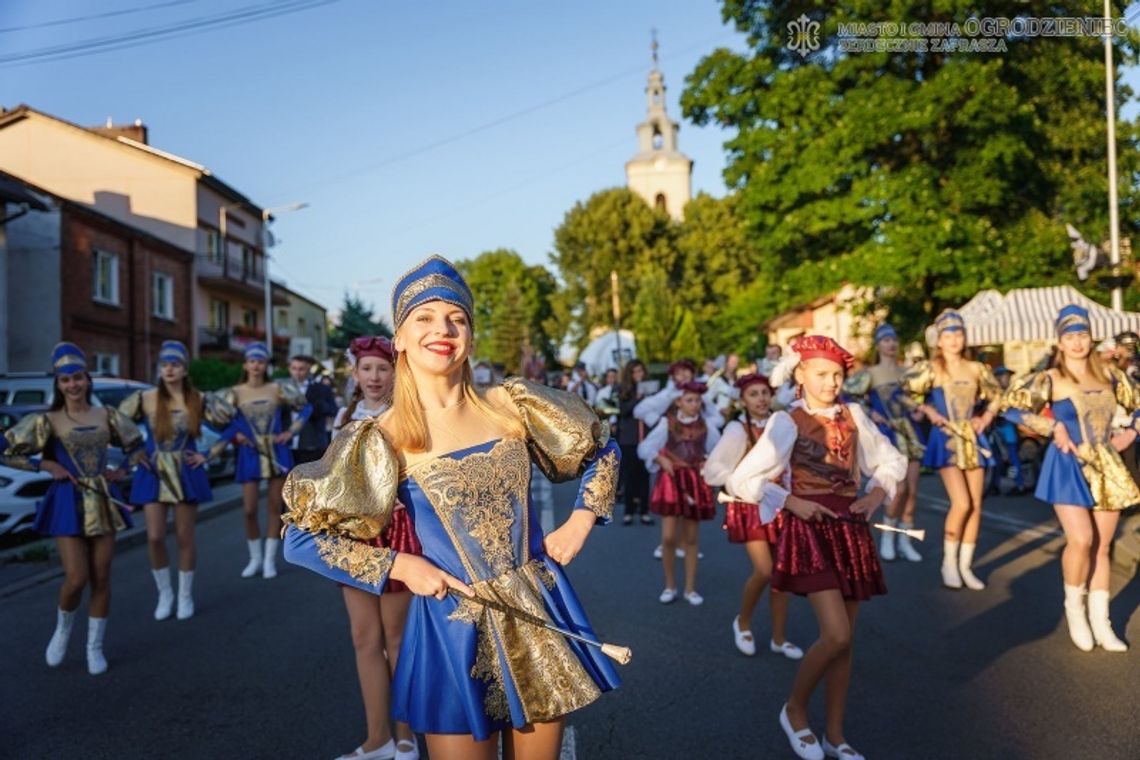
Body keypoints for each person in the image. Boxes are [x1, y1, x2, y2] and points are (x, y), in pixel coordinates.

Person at [282, 255, 621, 760]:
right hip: (450, 630)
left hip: (535, 611)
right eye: (424, 317)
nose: (442, 329)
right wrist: (399, 564)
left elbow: (602, 449)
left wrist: (582, 518)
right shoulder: (383, 438)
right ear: (399, 338)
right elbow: (301, 537)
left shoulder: (511, 406)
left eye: (456, 318)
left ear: (469, 335)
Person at [727, 335, 906, 760]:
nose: (831, 383)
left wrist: (876, 495)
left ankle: (837, 735)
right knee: (836, 633)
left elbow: (890, 461)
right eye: (822, 374)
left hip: (851, 529)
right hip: (809, 531)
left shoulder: (855, 414)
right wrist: (789, 501)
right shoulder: (786, 422)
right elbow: (739, 481)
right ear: (800, 374)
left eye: (838, 375)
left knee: (846, 642)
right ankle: (795, 710)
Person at [1000, 305, 1140, 652]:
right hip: (1066, 465)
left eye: (1081, 335)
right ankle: (1075, 612)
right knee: (1080, 540)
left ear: (1090, 338)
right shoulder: (1049, 378)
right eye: (1069, 336)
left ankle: (1101, 621)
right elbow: (1011, 406)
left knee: (1102, 547)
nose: (1077, 342)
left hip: (1107, 466)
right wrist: (1052, 425)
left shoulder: (1110, 374)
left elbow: (1138, 404)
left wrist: (1131, 433)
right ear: (1059, 342)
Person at [1, 342, 144, 675]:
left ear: (87, 379)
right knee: (77, 578)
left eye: (78, 378)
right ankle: (63, 630)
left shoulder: (107, 416)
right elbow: (7, 450)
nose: (73, 385)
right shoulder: (46, 420)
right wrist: (45, 466)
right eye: (65, 381)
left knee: (102, 577)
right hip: (67, 501)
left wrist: (120, 470)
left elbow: (136, 445)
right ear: (58, 384)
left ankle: (95, 647)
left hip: (102, 500)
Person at [332, 335, 421, 760]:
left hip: (396, 531)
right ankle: (377, 738)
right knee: (363, 637)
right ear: (355, 374)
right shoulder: (343, 417)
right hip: (354, 537)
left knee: (397, 637)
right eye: (366, 369)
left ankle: (406, 733)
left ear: (395, 374)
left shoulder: (407, 416)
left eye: (382, 368)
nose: (374, 376)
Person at [120, 340, 227, 621]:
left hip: (185, 471)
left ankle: (185, 594)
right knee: (154, 537)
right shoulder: (145, 398)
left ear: (184, 369)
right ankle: (165, 592)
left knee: (184, 536)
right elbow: (115, 424)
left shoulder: (198, 399)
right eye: (164, 365)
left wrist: (208, 454)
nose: (169, 369)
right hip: (152, 471)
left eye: (175, 364)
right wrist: (134, 453)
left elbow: (233, 424)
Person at [702, 373, 802, 659]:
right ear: (742, 400)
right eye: (753, 394)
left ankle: (779, 638)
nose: (760, 399)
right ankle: (742, 622)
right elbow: (715, 468)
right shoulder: (737, 429)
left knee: (783, 572)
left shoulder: (782, 425)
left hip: (780, 503)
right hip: (750, 506)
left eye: (764, 393)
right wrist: (739, 484)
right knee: (765, 570)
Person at [901, 310, 1002, 590]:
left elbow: (997, 395)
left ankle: (965, 566)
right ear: (940, 341)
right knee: (962, 503)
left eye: (958, 333)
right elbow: (905, 392)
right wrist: (928, 410)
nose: (954, 339)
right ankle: (948, 563)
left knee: (977, 504)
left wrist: (985, 417)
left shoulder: (977, 368)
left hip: (972, 438)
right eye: (948, 335)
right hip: (945, 439)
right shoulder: (931, 369)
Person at [213, 343, 311, 579]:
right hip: (249, 454)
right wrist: (234, 435)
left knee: (275, 507)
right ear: (246, 364)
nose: (256, 366)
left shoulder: (277, 388)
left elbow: (306, 408)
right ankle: (254, 558)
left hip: (276, 452)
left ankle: (269, 559)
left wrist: (291, 432)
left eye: (261, 361)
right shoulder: (234, 392)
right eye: (252, 361)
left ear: (266, 365)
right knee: (248, 509)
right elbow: (217, 419)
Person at [843, 324, 926, 562]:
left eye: (893, 340)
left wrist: (920, 410)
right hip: (888, 434)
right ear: (878, 345)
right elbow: (848, 396)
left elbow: (918, 397)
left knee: (912, 490)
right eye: (885, 340)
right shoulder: (870, 373)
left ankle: (905, 540)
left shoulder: (907, 372)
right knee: (897, 490)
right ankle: (889, 536)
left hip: (910, 432)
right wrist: (871, 412)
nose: (890, 344)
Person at [638, 381, 721, 605]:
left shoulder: (707, 425)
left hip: (695, 481)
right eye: (689, 400)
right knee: (668, 537)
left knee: (692, 539)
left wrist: (708, 463)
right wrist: (660, 457)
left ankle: (690, 589)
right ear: (678, 402)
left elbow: (720, 451)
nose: (694, 405)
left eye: (697, 400)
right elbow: (645, 448)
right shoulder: (668, 423)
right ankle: (670, 585)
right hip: (672, 480)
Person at [616, 360, 653, 526]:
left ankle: (645, 511)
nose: (639, 375)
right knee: (630, 476)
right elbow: (622, 410)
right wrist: (637, 399)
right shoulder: (624, 390)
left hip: (646, 437)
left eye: (641, 371)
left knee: (644, 476)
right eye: (635, 372)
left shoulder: (650, 390)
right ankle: (629, 512)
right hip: (629, 438)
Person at [288, 354, 339, 465]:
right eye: (294, 368)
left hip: (313, 443)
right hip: (287, 444)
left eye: (301, 369)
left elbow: (333, 409)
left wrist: (312, 405)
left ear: (308, 369)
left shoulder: (321, 389)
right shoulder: (283, 388)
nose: (297, 372)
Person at [989, 366, 1028, 496]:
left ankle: (1019, 484)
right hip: (997, 429)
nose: (1006, 379)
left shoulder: (1012, 393)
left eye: (1007, 377)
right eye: (1004, 376)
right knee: (996, 459)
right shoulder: (993, 392)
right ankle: (996, 484)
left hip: (1009, 428)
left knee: (1013, 457)